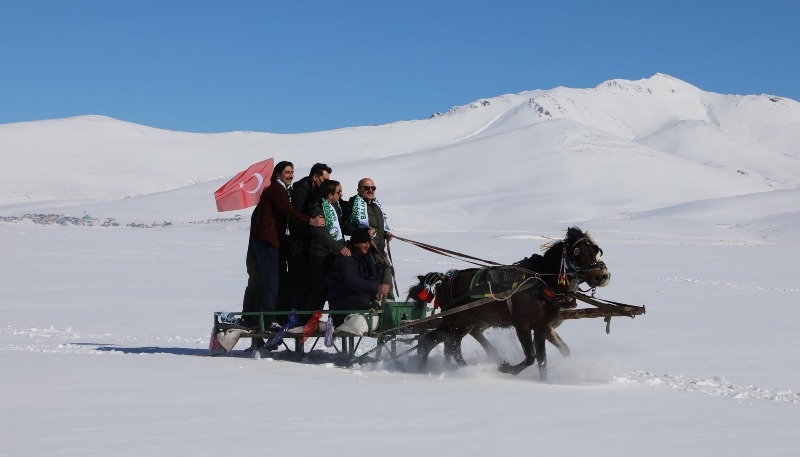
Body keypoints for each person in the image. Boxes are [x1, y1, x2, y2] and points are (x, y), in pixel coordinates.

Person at [252, 161, 325, 329]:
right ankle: (267, 320)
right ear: (278, 174)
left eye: (292, 172)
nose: (291, 175)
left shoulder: (283, 190)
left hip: (274, 241)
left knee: (273, 281)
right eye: (287, 172)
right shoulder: (276, 189)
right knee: (271, 281)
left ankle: (264, 318)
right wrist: (310, 221)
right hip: (267, 241)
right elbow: (289, 212)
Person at [288, 163, 332, 311]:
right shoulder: (301, 191)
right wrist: (311, 224)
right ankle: (296, 316)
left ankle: (307, 316)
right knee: (301, 282)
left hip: (309, 243)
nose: (326, 184)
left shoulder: (315, 192)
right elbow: (296, 218)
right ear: (315, 177)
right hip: (300, 244)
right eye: (324, 180)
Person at [341, 178, 395, 298]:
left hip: (380, 250)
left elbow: (381, 225)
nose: (370, 190)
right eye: (366, 188)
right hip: (365, 252)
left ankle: (388, 305)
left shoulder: (377, 204)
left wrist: (386, 233)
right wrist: (364, 233)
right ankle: (372, 306)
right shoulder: (353, 204)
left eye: (373, 188)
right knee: (372, 285)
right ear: (359, 190)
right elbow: (345, 226)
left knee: (386, 277)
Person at [325, 228, 390, 326]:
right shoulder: (345, 258)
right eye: (364, 243)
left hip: (359, 295)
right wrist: (376, 288)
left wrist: (376, 291)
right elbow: (353, 281)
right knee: (364, 302)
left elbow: (374, 275)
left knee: (381, 302)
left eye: (368, 242)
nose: (367, 245)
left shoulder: (367, 256)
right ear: (356, 244)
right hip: (341, 298)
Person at [306, 179, 350, 318]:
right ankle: (310, 321)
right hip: (321, 255)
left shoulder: (336, 206)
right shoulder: (318, 208)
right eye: (338, 192)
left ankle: (335, 320)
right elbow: (321, 234)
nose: (341, 194)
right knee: (320, 289)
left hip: (333, 253)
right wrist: (339, 247)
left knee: (335, 288)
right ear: (330, 195)